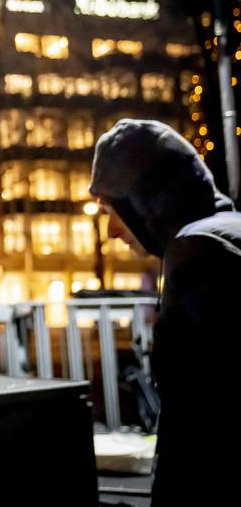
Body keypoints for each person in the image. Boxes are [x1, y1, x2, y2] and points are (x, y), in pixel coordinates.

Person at [89, 118, 240, 506]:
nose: (110, 231)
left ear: (142, 201)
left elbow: (200, 422)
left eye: (111, 209)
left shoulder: (200, 251)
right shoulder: (223, 232)